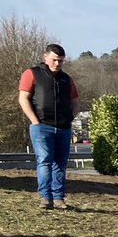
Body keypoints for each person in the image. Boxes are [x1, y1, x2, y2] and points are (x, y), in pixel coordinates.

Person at [18, 43, 78, 211]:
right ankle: (46, 198)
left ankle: (58, 199)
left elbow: (75, 102)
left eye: (60, 61)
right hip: (42, 127)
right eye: (54, 60)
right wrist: (35, 121)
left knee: (60, 163)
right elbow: (23, 98)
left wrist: (69, 119)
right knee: (44, 161)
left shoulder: (67, 79)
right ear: (45, 57)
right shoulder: (32, 74)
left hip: (63, 128)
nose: (57, 64)